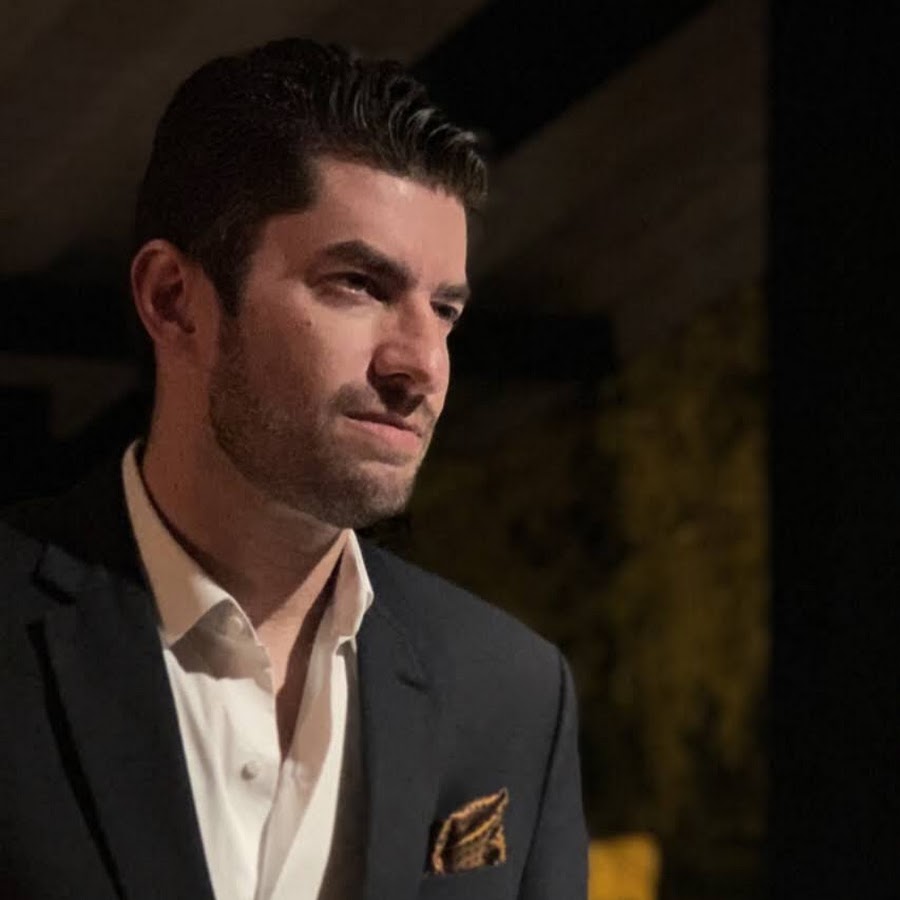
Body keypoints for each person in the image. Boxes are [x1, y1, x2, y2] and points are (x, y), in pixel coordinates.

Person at [0, 38, 588, 900]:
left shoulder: (510, 694)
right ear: (174, 300)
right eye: (358, 284)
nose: (421, 363)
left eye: (445, 310)